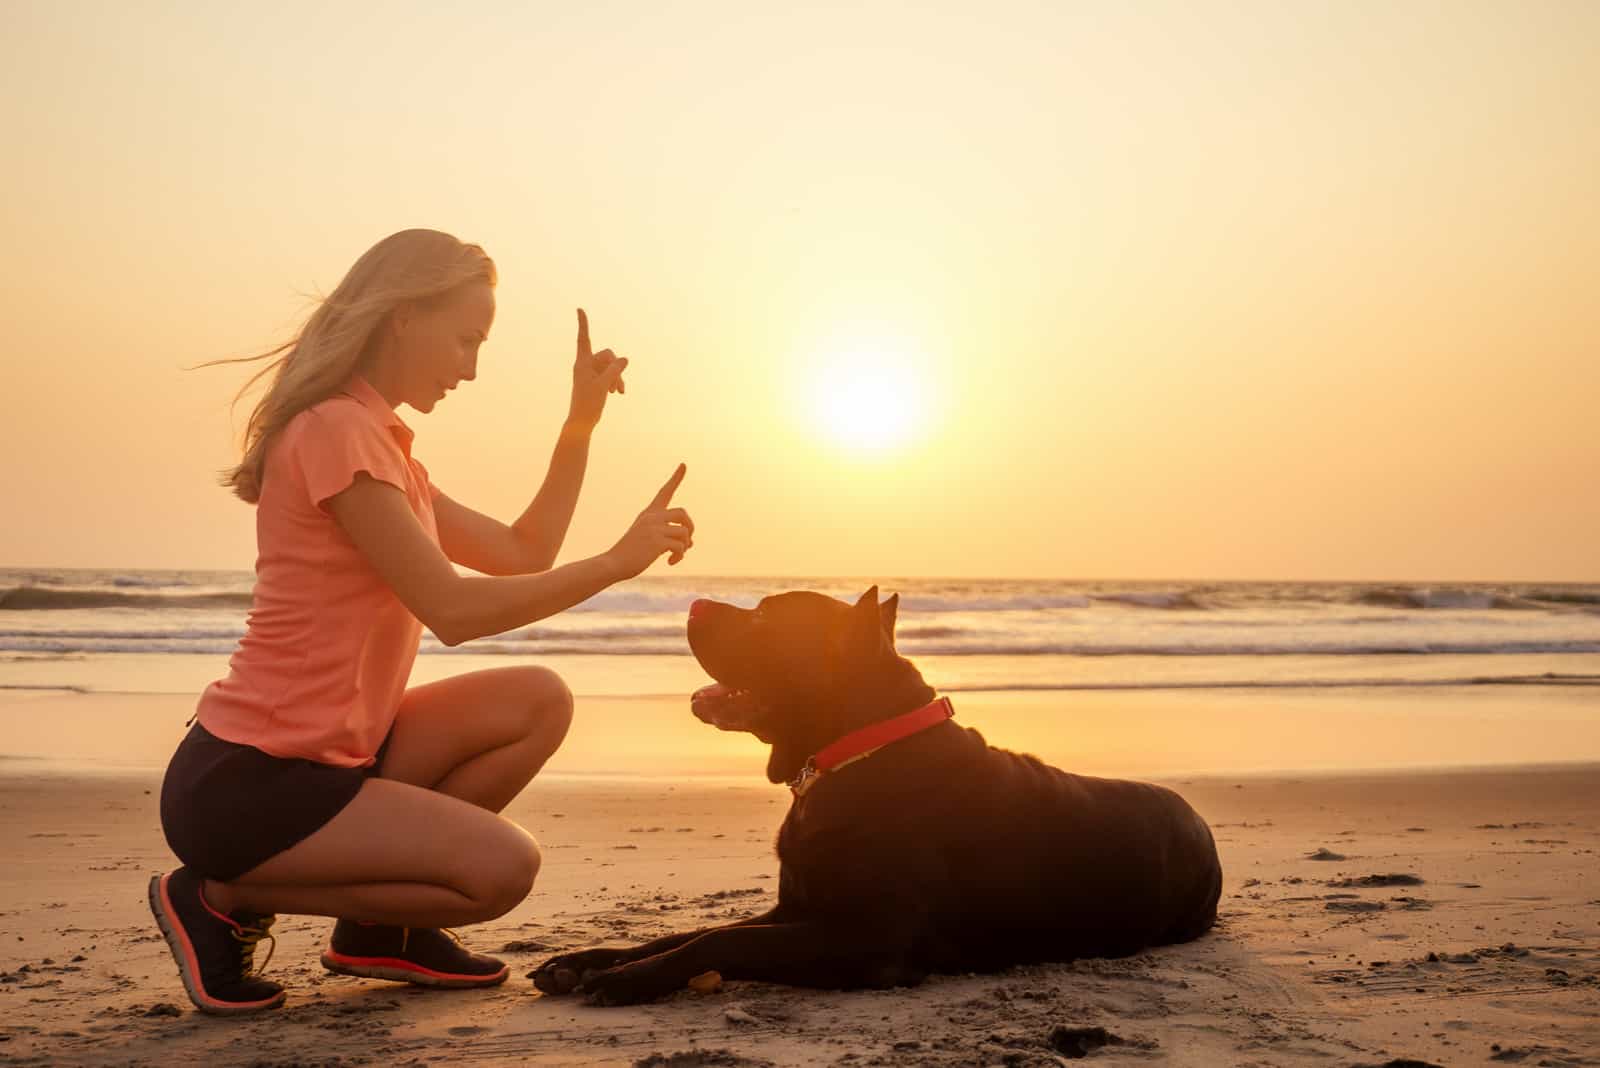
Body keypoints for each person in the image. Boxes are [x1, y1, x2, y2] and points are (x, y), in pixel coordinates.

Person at [148, 228, 694, 1015]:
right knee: (501, 870)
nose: (471, 367)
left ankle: (378, 931)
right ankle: (215, 892)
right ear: (403, 316)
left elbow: (521, 550)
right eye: (466, 339)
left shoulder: (384, 447)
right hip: (251, 784)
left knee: (538, 699)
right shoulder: (337, 432)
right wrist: (614, 563)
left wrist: (579, 425)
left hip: (337, 761)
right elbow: (454, 611)